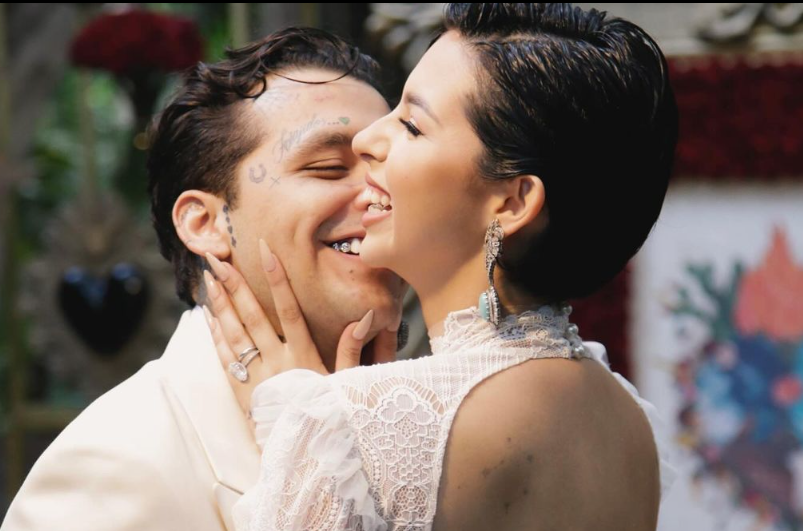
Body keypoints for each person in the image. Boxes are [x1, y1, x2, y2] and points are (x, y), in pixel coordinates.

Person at [204, 4, 680, 531]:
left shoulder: (361, 423)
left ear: (512, 202)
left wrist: (300, 422)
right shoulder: (629, 418)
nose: (367, 140)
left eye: (411, 125)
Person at [1, 28, 408, 531]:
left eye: (391, 166)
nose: (383, 195)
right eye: (328, 167)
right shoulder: (112, 467)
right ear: (205, 224)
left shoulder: (432, 424)